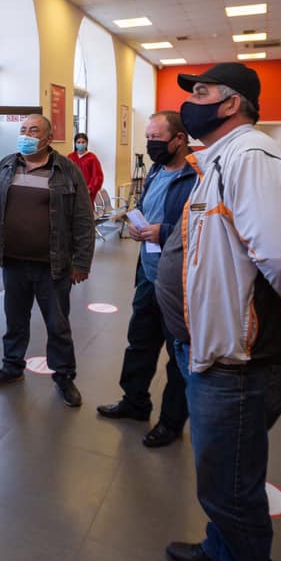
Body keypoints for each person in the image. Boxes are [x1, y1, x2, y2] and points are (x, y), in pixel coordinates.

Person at [161, 63, 281, 561]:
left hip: (239, 359)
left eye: (201, 92)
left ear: (231, 103)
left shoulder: (251, 157)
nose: (190, 103)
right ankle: (222, 551)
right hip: (215, 348)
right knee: (227, 473)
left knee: (230, 488)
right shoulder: (224, 157)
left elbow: (279, 256)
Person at [0, 114, 95, 407]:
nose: (26, 135)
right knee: (15, 321)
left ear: (48, 137)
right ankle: (11, 367)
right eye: (23, 130)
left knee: (58, 324)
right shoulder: (5, 166)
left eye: (33, 130)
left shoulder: (67, 170)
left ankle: (64, 375)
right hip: (14, 262)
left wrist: (82, 262)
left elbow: (83, 218)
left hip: (53, 266)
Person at [97, 111, 197, 448]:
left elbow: (205, 227)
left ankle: (171, 422)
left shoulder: (198, 176)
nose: (151, 144)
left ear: (179, 139)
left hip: (179, 280)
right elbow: (147, 205)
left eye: (157, 138)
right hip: (148, 273)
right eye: (148, 137)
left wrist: (162, 232)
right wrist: (139, 224)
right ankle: (134, 402)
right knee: (140, 341)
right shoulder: (155, 170)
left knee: (178, 353)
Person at [67, 131, 104, 202]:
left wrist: (90, 189)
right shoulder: (70, 157)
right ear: (75, 143)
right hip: (72, 191)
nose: (81, 144)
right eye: (78, 142)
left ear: (86, 143)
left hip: (87, 192)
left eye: (83, 142)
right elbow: (66, 173)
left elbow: (97, 176)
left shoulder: (92, 158)